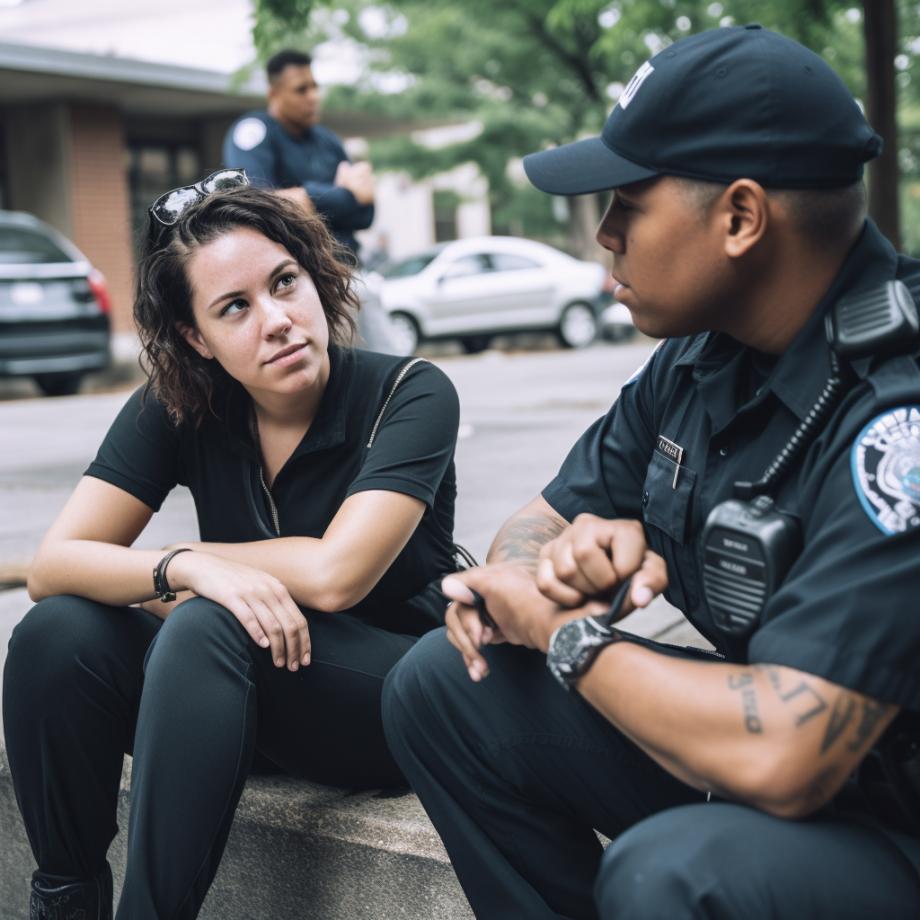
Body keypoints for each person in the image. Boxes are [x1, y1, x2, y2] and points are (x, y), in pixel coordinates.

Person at [382, 24, 920, 919]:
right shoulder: (704, 357)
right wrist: (548, 570)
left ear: (742, 218)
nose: (603, 234)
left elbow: (787, 753)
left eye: (629, 201)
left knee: (669, 871)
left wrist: (565, 631)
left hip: (883, 823)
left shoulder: (897, 421)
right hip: (773, 786)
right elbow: (535, 523)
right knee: (441, 682)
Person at [2, 171, 459, 918]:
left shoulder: (411, 391)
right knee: (59, 634)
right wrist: (184, 565)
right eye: (234, 308)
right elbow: (55, 567)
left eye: (285, 282)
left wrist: (195, 579)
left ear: (314, 276)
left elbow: (337, 573)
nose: (276, 320)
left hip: (390, 693)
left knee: (209, 620)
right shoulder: (178, 405)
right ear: (196, 337)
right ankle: (64, 901)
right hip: (230, 691)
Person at [223, 49, 375, 260]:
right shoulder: (254, 131)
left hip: (348, 268)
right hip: (297, 271)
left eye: (315, 87)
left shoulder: (328, 140)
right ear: (273, 94)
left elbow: (365, 214)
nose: (313, 97)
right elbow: (260, 206)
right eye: (301, 89)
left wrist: (302, 198)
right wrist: (345, 195)